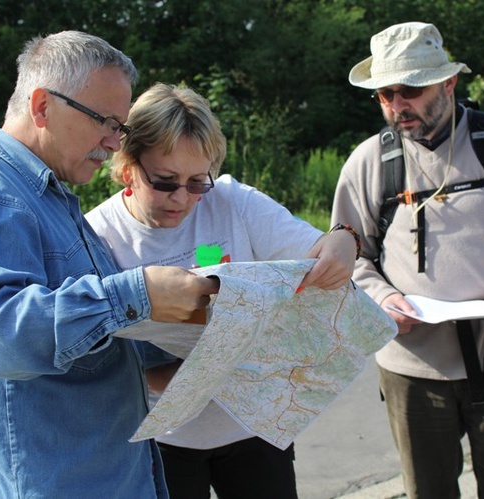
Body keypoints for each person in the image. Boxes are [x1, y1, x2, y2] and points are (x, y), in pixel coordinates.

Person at [0, 31, 219, 498]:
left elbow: (89, 341)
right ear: (41, 106)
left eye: (120, 127)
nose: (114, 143)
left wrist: (191, 339)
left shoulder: (47, 196)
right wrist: (138, 294)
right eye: (105, 122)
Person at [331, 22, 484, 498]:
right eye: (386, 94)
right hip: (413, 369)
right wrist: (383, 298)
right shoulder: (368, 163)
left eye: (411, 90)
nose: (397, 105)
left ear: (448, 83)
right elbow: (350, 254)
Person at [85, 82, 360, 499]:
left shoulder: (233, 201)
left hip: (254, 425)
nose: (182, 198)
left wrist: (342, 239)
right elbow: (88, 354)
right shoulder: (98, 237)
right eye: (165, 182)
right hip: (162, 440)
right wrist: (161, 376)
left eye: (197, 182)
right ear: (127, 168)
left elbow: (315, 255)